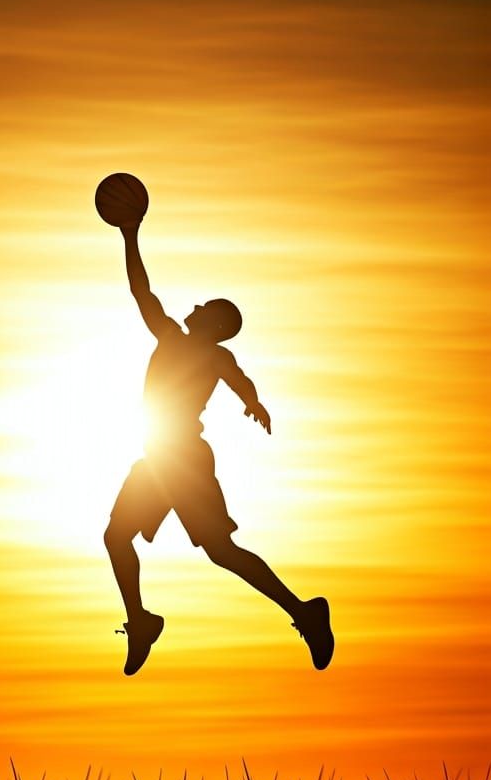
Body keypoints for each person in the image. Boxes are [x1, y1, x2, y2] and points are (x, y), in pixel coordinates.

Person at [105, 217, 334, 676]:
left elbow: (236, 375)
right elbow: (141, 293)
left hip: (181, 459)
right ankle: (141, 622)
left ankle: (305, 611)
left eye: (204, 305)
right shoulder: (188, 343)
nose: (194, 304)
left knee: (219, 551)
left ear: (213, 322)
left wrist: (253, 401)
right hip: (160, 457)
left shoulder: (201, 348)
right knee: (118, 537)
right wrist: (253, 402)